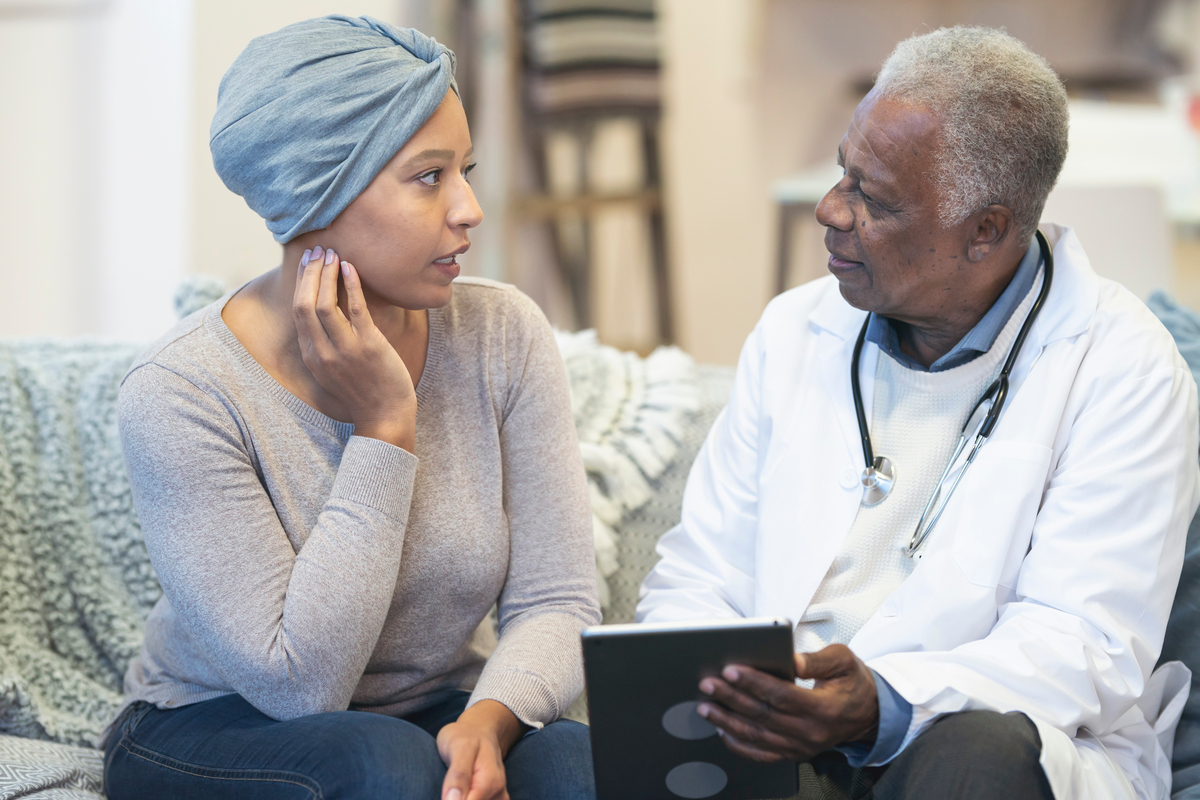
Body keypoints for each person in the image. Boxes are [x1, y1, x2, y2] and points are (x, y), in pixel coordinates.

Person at [638, 26, 1200, 800]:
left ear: (986, 231)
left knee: (973, 757)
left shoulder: (1121, 367)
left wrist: (881, 704)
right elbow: (702, 573)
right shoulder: (794, 330)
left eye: (874, 199)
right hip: (770, 746)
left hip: (975, 746)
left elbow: (1085, 648)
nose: (832, 212)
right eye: (844, 175)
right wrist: (698, 688)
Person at [102, 15, 599, 800]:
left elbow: (558, 598)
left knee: (578, 763)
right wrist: (383, 428)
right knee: (382, 767)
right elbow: (300, 686)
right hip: (213, 724)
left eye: (465, 170)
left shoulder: (503, 333)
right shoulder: (181, 390)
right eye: (429, 177)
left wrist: (490, 720)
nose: (469, 208)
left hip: (429, 711)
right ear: (314, 192)